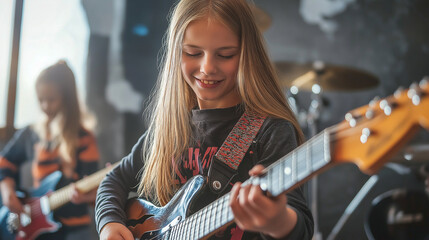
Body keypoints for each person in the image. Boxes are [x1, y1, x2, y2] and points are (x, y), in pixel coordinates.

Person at [95, 0, 314, 239]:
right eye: (193, 53)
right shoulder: (170, 126)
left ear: (247, 56)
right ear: (176, 54)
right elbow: (113, 179)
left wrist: (278, 221)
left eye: (225, 54)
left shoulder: (271, 131)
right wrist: (109, 224)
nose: (207, 67)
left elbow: (300, 226)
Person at [0, 60, 100, 239]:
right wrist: (7, 191)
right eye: (40, 100)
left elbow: (93, 188)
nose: (45, 106)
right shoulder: (31, 134)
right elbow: (4, 161)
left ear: (67, 99)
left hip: (75, 229)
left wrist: (89, 197)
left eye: (51, 100)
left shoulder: (84, 138)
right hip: (38, 227)